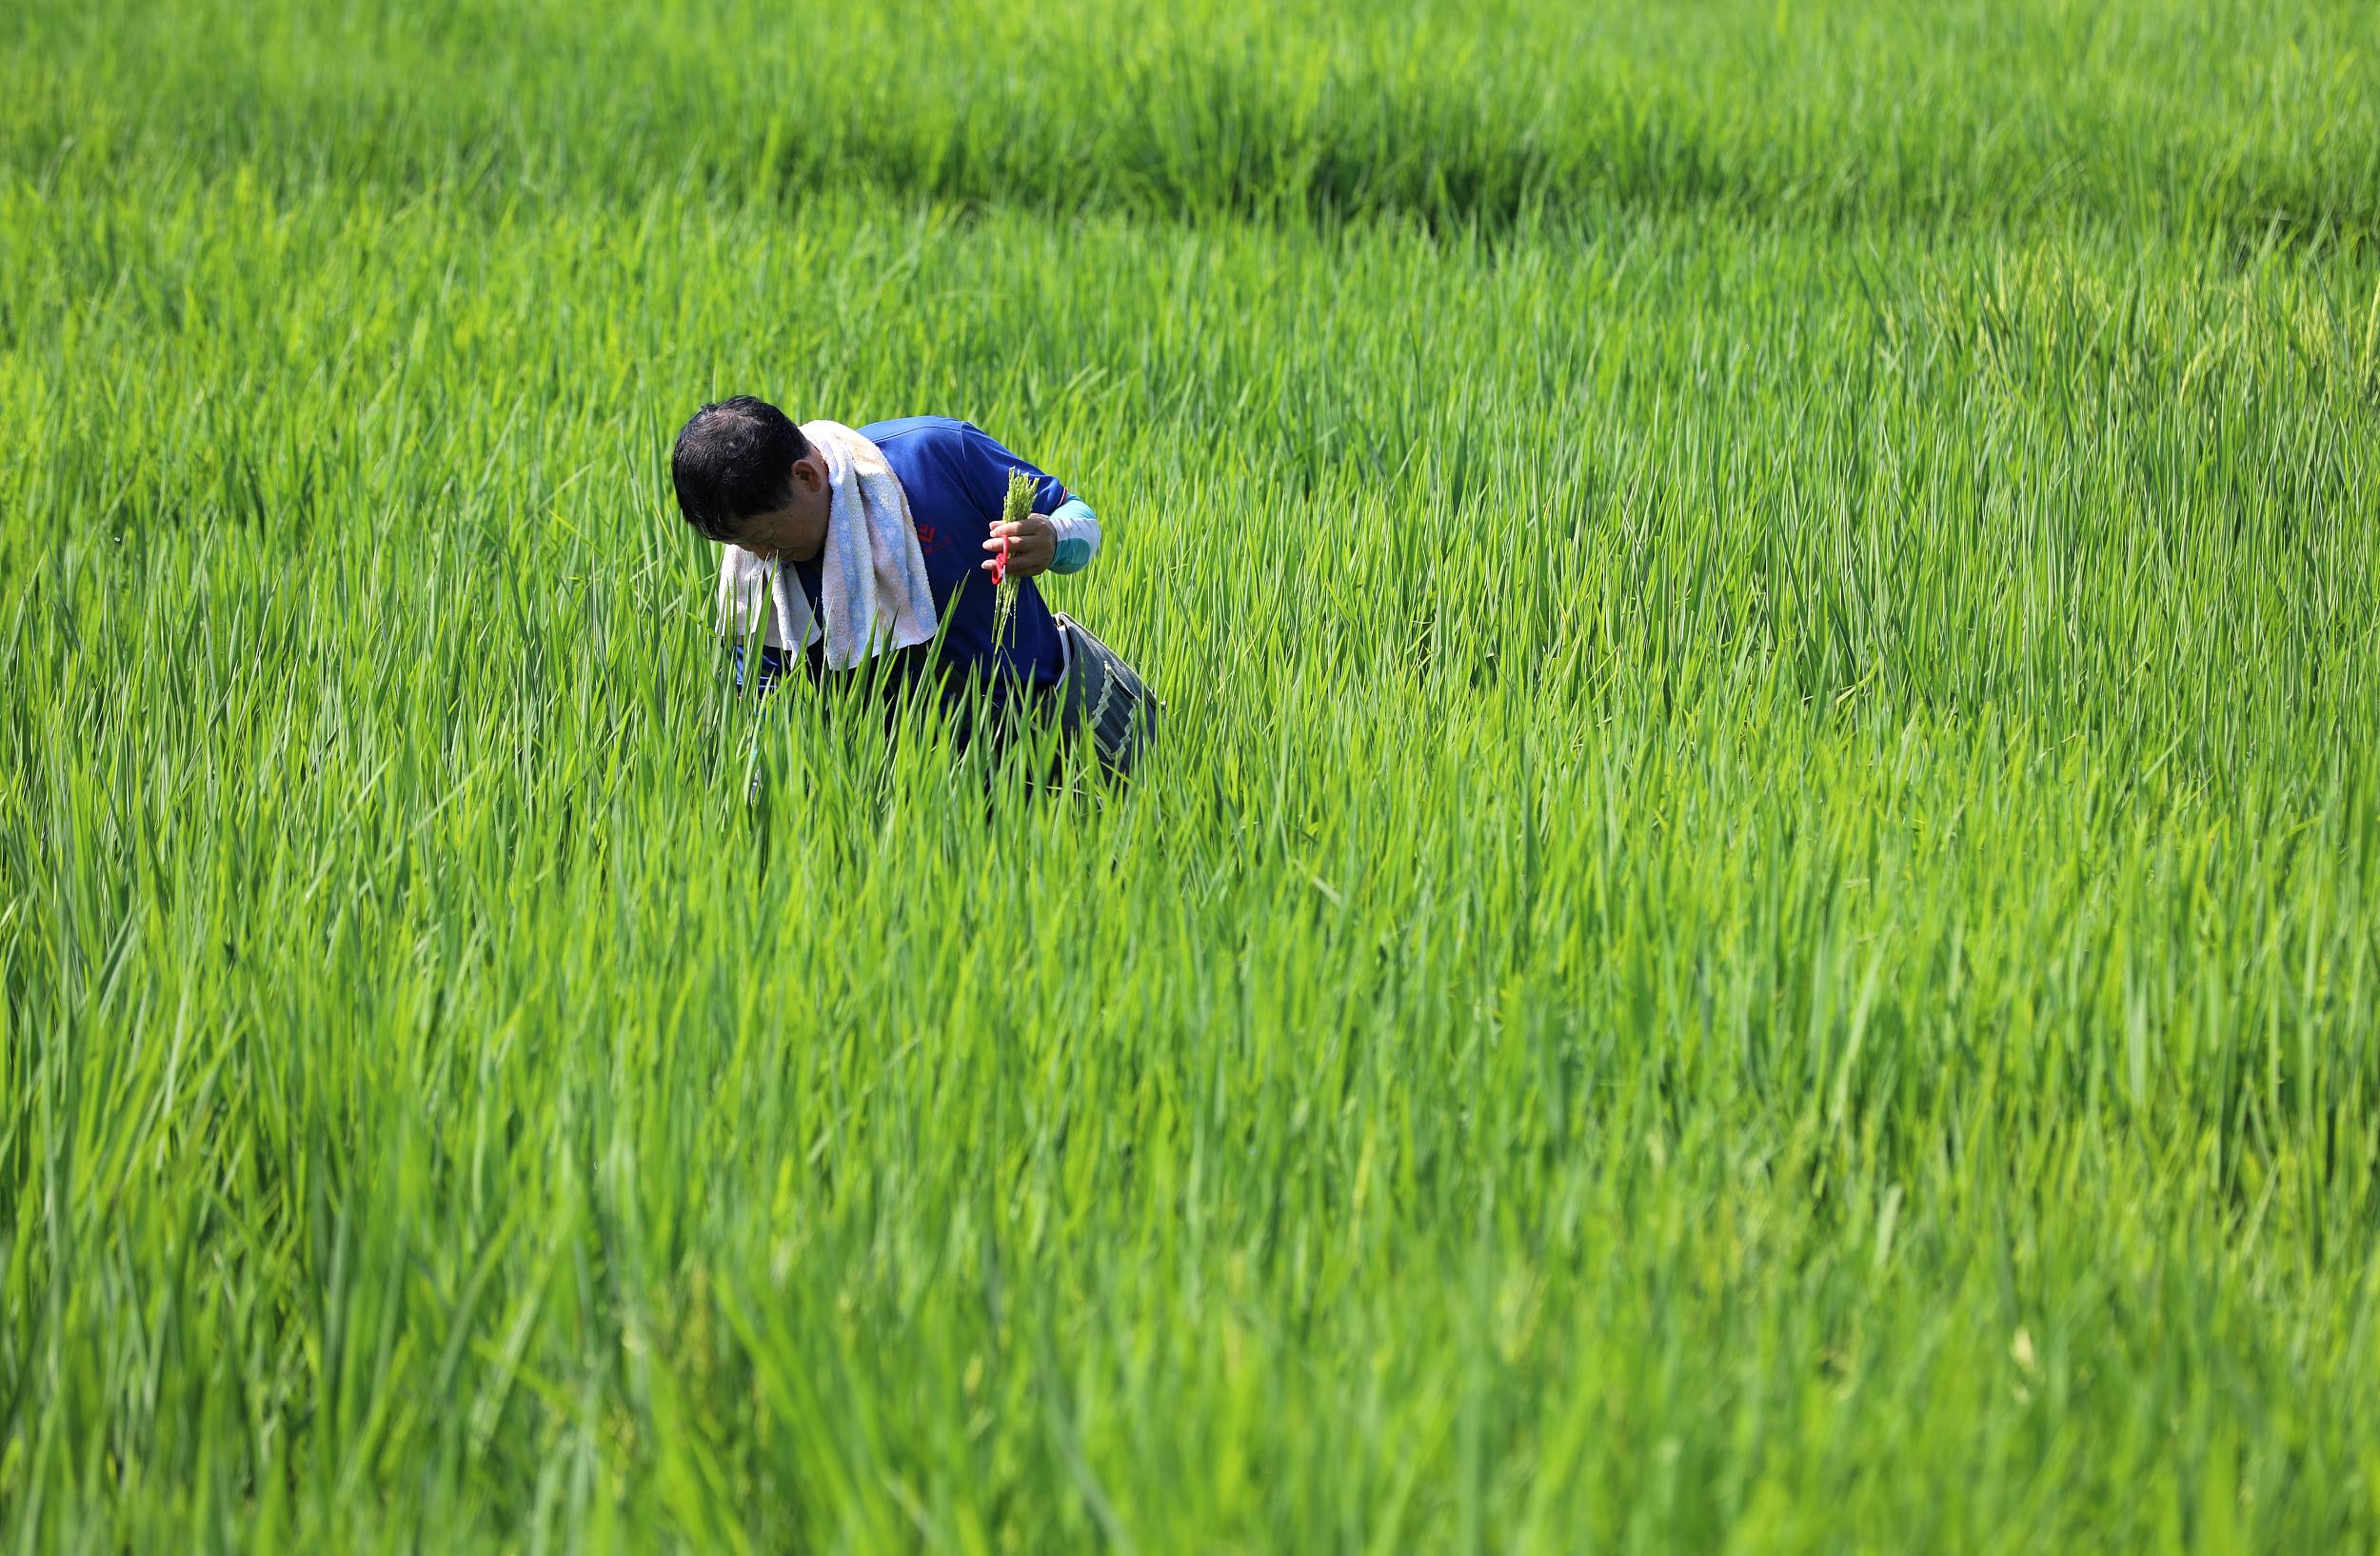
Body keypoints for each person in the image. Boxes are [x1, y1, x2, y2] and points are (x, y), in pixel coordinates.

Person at [668, 396, 1153, 773]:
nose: (759, 559)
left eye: (765, 538)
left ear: (807, 476)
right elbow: (762, 704)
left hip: (1055, 726)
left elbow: (1083, 521)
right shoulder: (757, 579)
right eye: (741, 545)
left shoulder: (934, 458)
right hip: (910, 783)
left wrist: (1053, 538)